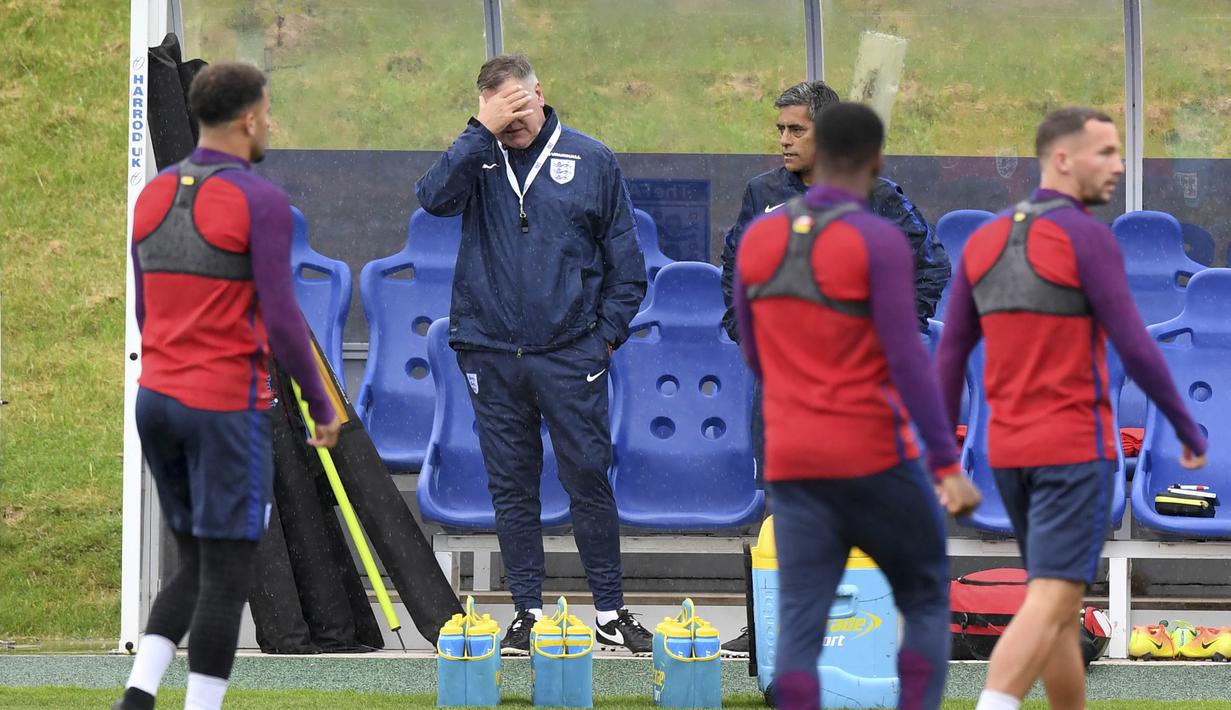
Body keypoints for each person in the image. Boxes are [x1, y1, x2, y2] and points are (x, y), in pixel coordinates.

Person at [935, 107, 1208, 710]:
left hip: (1006, 454)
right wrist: (1186, 426)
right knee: (1055, 598)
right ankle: (996, 702)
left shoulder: (984, 241)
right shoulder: (1087, 238)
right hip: (1073, 450)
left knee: (1055, 605)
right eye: (1105, 153)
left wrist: (943, 460)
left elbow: (950, 358)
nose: (1117, 165)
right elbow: (1135, 343)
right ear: (1062, 160)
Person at [734, 102, 982, 710]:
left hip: (793, 458)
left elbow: (753, 346)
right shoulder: (877, 238)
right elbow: (905, 359)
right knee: (924, 594)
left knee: (801, 620)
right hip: (871, 457)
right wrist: (948, 463)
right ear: (873, 160)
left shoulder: (760, 236)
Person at [115, 63, 340, 710]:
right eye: (267, 112)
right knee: (228, 572)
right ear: (248, 118)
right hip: (221, 407)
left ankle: (136, 696)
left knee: (195, 559)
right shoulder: (261, 201)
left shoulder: (152, 194)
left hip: (156, 401)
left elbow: (145, 311)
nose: (269, 123)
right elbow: (281, 319)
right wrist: (320, 405)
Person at [415, 54, 651, 655]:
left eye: (521, 104)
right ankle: (526, 611)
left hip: (571, 354)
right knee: (511, 485)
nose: (514, 119)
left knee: (587, 480)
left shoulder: (593, 158)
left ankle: (609, 610)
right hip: (490, 354)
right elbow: (432, 198)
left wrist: (602, 340)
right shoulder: (478, 156)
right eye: (501, 109)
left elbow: (628, 271)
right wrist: (479, 130)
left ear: (540, 93)